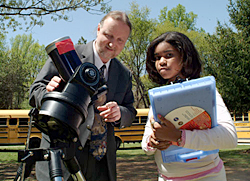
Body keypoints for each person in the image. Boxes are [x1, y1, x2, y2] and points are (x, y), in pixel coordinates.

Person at [29, 10, 137, 181]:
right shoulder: (66, 54)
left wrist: (120, 113)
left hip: (102, 165)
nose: (112, 44)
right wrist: (49, 94)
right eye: (108, 36)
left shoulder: (124, 74)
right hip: (62, 158)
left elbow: (131, 112)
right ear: (98, 29)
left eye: (120, 40)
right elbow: (35, 89)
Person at [141, 31, 238, 181]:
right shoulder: (157, 97)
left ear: (185, 57)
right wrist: (152, 141)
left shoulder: (206, 91)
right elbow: (146, 145)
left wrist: (179, 137)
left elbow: (230, 138)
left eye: (168, 55)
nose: (161, 61)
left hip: (209, 176)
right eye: (157, 57)